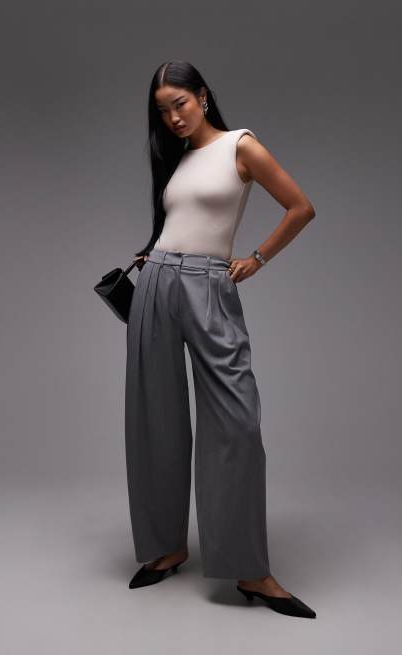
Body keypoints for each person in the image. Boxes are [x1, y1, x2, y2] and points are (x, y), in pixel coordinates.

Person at [125, 61, 317, 619]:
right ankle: (167, 547)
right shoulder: (178, 158)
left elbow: (301, 208)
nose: (172, 117)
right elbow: (177, 223)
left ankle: (250, 570)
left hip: (210, 285)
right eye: (162, 110)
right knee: (155, 419)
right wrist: (150, 255)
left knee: (237, 423)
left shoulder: (241, 145)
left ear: (202, 96)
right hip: (157, 282)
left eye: (180, 103)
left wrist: (256, 259)